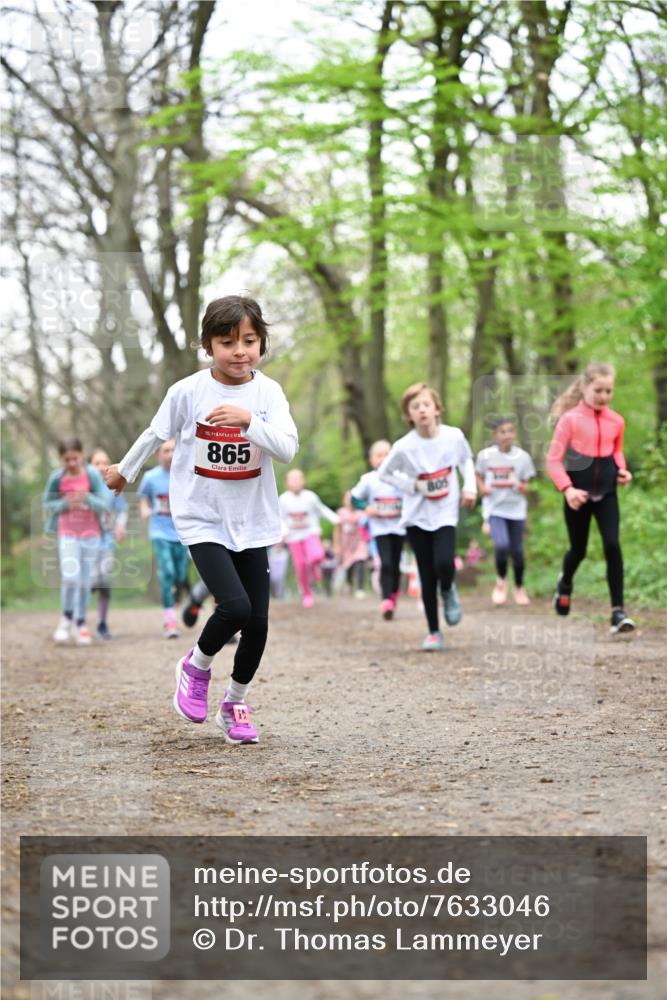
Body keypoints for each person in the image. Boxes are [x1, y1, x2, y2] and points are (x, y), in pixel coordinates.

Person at [106, 294, 298, 744]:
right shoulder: (188, 391)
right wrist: (125, 471)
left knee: (258, 624)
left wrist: (249, 421)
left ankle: (234, 705)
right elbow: (156, 433)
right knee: (235, 607)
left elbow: (287, 448)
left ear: (261, 343)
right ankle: (195, 666)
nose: (240, 351)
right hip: (201, 516)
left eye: (249, 341)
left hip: (253, 519)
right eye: (227, 342)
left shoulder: (268, 393)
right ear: (208, 345)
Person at [377, 383, 477, 650]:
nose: (421, 410)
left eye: (426, 404)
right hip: (416, 515)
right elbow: (384, 473)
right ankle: (433, 631)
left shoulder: (453, 436)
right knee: (426, 573)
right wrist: (412, 485)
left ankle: (449, 588)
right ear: (408, 415)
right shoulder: (404, 446)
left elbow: (466, 460)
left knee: (444, 563)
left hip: (445, 511)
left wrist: (470, 487)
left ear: (436, 409)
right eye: (415, 407)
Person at [546, 362, 635, 634]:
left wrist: (622, 470)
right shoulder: (570, 420)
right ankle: (565, 584)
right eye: (598, 390)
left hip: (607, 492)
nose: (604, 396)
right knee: (578, 550)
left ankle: (618, 612)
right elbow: (553, 460)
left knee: (612, 545)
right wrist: (567, 489)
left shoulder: (616, 421)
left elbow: (616, 451)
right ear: (584, 387)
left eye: (609, 391)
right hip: (578, 495)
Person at [43, 437, 110, 645]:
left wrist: (86, 497)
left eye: (75, 458)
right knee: (71, 577)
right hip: (67, 533)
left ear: (82, 455)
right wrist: (64, 503)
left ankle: (80, 623)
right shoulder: (57, 477)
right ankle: (66, 619)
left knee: (85, 581)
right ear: (61, 459)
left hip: (91, 534)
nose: (72, 463)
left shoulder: (91, 475)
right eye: (67, 459)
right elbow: (47, 503)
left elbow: (104, 503)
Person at [475, 416, 536, 606]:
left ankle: (519, 586)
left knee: (517, 552)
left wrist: (523, 487)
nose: (507, 435)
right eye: (502, 432)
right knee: (501, 545)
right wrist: (481, 488)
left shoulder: (523, 458)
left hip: (516, 510)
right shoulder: (485, 456)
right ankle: (501, 581)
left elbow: (528, 483)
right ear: (495, 435)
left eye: (510, 431)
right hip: (495, 510)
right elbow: (477, 474)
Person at [138, 439, 189, 639]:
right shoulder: (150, 477)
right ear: (158, 454)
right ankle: (170, 621)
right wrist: (145, 509)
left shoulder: (186, 474)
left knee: (180, 575)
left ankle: (175, 599)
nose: (170, 455)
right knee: (167, 572)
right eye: (166, 451)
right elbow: (144, 497)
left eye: (173, 450)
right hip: (160, 532)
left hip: (182, 533)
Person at [351, 439, 406, 620]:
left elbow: (412, 496)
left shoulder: (402, 477)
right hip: (380, 529)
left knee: (396, 565)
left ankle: (393, 594)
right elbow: (354, 499)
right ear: (372, 460)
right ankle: (386, 600)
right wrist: (366, 507)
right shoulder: (368, 479)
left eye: (387, 455)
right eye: (379, 455)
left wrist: (406, 507)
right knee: (386, 563)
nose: (383, 459)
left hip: (399, 528)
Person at [279, 469, 338, 608]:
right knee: (300, 566)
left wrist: (336, 519)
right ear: (287, 483)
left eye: (298, 478)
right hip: (293, 537)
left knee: (317, 556)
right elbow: (279, 518)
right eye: (292, 479)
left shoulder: (310, 496)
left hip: (310, 532)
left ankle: (314, 569)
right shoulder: (283, 499)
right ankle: (307, 594)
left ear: (303, 481)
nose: (296, 482)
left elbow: (322, 509)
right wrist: (284, 531)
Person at [89, 448, 128, 638]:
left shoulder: (112, 486)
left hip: (106, 542)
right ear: (89, 466)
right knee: (89, 580)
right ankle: (77, 620)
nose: (101, 466)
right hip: (85, 542)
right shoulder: (84, 485)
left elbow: (122, 510)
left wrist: (120, 526)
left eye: (105, 463)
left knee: (104, 581)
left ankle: (102, 623)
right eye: (97, 463)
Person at [333, 491, 369, 598]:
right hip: (346, 544)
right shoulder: (341, 513)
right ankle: (349, 583)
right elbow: (337, 530)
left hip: (359, 542)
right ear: (344, 501)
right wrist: (336, 545)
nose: (350, 501)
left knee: (360, 561)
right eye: (348, 499)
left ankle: (360, 589)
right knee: (349, 566)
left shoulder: (361, 513)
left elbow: (367, 527)